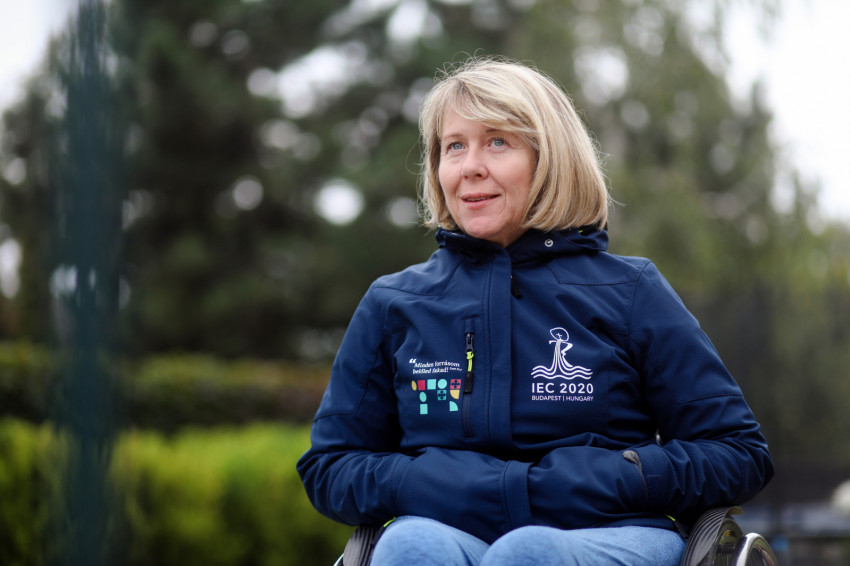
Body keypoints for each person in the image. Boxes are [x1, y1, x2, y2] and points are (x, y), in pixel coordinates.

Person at [297, 56, 774, 566]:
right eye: (454, 146)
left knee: (527, 553)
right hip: (452, 531)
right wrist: (426, 480)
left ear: (549, 160)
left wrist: (615, 475)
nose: (470, 165)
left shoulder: (631, 290)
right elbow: (330, 466)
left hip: (614, 531)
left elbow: (738, 452)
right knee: (411, 545)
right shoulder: (394, 302)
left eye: (497, 142)